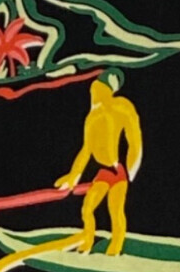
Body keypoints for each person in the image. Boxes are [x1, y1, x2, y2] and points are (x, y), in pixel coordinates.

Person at [54, 73, 144, 256]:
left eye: (97, 89)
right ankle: (87, 242)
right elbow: (86, 150)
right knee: (87, 208)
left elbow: (134, 137)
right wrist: (73, 176)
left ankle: (115, 248)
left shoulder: (121, 106)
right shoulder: (92, 117)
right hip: (103, 172)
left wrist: (132, 166)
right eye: (92, 90)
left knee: (115, 210)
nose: (93, 93)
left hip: (118, 171)